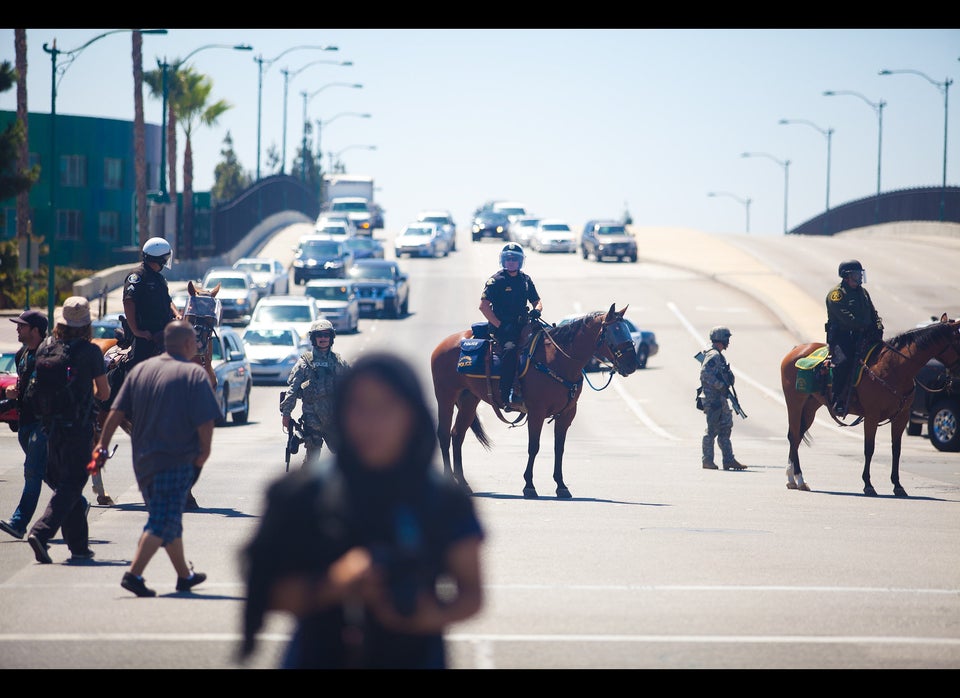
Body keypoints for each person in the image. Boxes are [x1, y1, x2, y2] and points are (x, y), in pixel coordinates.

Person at [240, 351, 485, 669]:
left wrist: (423, 614)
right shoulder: (302, 493)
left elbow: (472, 593)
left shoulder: (443, 497)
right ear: (341, 412)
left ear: (412, 415)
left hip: (417, 656)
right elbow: (266, 588)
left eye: (386, 407)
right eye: (359, 407)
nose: (372, 422)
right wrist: (333, 585)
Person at [94, 320, 220, 597]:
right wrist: (204, 453)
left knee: (167, 515)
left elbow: (114, 411)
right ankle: (134, 574)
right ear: (189, 345)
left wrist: (102, 446)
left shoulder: (141, 370)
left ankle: (184, 576)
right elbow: (206, 419)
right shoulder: (193, 374)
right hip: (175, 458)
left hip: (143, 460)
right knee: (163, 519)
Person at [26, 297, 110, 564]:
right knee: (73, 484)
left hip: (49, 428)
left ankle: (79, 548)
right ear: (86, 324)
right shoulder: (91, 352)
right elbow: (104, 392)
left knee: (67, 486)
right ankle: (41, 531)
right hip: (78, 429)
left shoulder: (46, 348)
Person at [0, 310, 49, 540]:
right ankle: (76, 504)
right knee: (45, 472)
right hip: (25, 422)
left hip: (42, 423)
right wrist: (12, 394)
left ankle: (19, 523)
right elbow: (22, 385)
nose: (17, 329)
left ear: (35, 330)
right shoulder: (22, 355)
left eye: (22, 326)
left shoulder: (48, 355)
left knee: (32, 471)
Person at [479, 242, 543, 410]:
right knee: (510, 351)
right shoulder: (496, 281)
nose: (511, 262)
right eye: (508, 259)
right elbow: (483, 306)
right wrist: (500, 326)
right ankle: (506, 394)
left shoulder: (525, 280)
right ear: (503, 261)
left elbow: (537, 301)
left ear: (520, 262)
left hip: (523, 326)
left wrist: (537, 310)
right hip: (503, 329)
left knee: (545, 343)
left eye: (515, 259)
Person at [280, 318, 350, 468]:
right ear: (313, 338)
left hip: (334, 420)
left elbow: (354, 388)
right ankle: (305, 490)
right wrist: (286, 414)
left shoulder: (338, 362)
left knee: (347, 460)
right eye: (319, 335)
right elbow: (292, 390)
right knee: (312, 461)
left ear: (331, 338)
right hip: (312, 421)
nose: (323, 339)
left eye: (326, 335)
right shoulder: (305, 363)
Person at [825, 259, 883, 417]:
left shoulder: (863, 292)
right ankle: (838, 400)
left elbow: (873, 312)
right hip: (842, 338)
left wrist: (878, 326)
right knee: (843, 362)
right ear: (846, 276)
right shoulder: (836, 295)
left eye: (860, 274)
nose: (859, 277)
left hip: (863, 336)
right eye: (856, 275)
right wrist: (865, 326)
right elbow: (846, 318)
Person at [121, 236, 181, 373]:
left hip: (164, 331)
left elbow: (168, 301)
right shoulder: (137, 276)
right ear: (160, 259)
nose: (166, 262)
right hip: (146, 334)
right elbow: (128, 302)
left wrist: (177, 314)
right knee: (138, 369)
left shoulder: (159, 278)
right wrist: (137, 331)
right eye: (165, 259)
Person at [698, 326, 747, 471]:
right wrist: (721, 386)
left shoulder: (715, 354)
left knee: (725, 428)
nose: (728, 342)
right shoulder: (714, 355)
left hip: (719, 398)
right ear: (721, 339)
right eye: (727, 339)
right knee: (712, 430)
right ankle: (707, 460)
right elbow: (705, 374)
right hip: (713, 399)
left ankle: (729, 460)